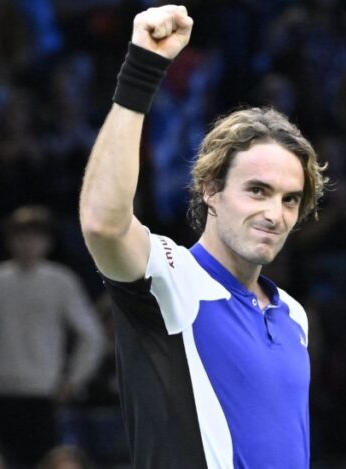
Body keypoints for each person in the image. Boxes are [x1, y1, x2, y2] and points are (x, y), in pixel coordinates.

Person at [78, 6, 328, 468]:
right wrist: (141, 69)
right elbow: (102, 222)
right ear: (210, 190)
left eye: (290, 199)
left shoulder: (293, 315)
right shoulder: (171, 280)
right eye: (257, 191)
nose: (274, 213)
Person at [0, 206, 105, 466]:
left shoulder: (61, 282)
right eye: (21, 236)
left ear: (48, 241)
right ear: (10, 239)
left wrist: (73, 380)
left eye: (35, 236)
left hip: (40, 397)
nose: (28, 243)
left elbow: (91, 336)